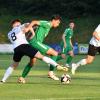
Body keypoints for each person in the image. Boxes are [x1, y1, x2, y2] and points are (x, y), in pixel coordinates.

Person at [0, 19, 68, 83]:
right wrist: (32, 32)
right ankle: (57, 66)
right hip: (24, 46)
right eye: (18, 23)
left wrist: (28, 32)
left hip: (16, 49)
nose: (19, 24)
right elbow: (28, 24)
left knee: (13, 65)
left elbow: (20, 35)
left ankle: (3, 80)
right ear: (15, 24)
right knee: (41, 56)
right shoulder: (19, 27)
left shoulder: (9, 34)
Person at [20, 15, 64, 82]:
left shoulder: (47, 25)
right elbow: (34, 21)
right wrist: (28, 28)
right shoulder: (48, 24)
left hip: (33, 43)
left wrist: (29, 33)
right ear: (54, 20)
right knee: (54, 53)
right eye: (58, 23)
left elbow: (35, 26)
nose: (58, 25)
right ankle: (51, 73)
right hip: (36, 42)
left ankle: (22, 78)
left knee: (32, 62)